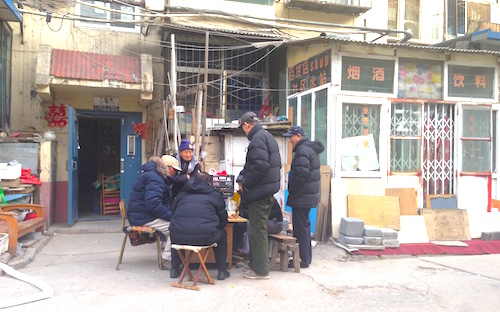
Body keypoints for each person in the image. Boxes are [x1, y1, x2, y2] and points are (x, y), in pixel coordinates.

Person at [239, 111, 281, 280]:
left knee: (257, 231)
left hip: (259, 193)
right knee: (258, 230)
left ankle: (261, 270)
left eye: (243, 128)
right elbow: (256, 164)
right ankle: (255, 266)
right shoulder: (267, 136)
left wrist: (246, 182)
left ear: (246, 125)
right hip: (267, 190)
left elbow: (260, 164)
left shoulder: (257, 139)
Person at [168, 172, 231, 280]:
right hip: (206, 237)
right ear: (209, 183)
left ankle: (174, 269)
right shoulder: (215, 195)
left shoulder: (181, 195)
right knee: (222, 235)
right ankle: (221, 270)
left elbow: (173, 215)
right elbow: (223, 219)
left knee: (177, 232)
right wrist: (215, 226)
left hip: (179, 237)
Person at [127, 155, 182, 269]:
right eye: (174, 170)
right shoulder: (155, 178)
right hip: (143, 216)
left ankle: (172, 256)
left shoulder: (154, 175)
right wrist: (172, 217)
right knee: (176, 228)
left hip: (141, 213)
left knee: (175, 225)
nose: (175, 173)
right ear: (167, 167)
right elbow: (154, 204)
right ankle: (167, 260)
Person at [282, 125, 324, 269]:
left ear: (299, 136)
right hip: (307, 195)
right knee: (304, 226)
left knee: (301, 228)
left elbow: (300, 175)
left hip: (302, 196)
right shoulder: (309, 150)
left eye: (291, 138)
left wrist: (291, 189)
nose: (290, 141)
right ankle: (305, 258)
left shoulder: (303, 151)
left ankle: (302, 260)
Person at [233, 172, 284, 254]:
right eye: (239, 185)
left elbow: (254, 213)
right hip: (264, 220)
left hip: (274, 223)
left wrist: (244, 213)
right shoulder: (246, 194)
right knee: (239, 224)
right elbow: (243, 211)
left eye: (241, 185)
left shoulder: (258, 195)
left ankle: (248, 252)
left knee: (252, 224)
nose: (240, 188)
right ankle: (237, 248)